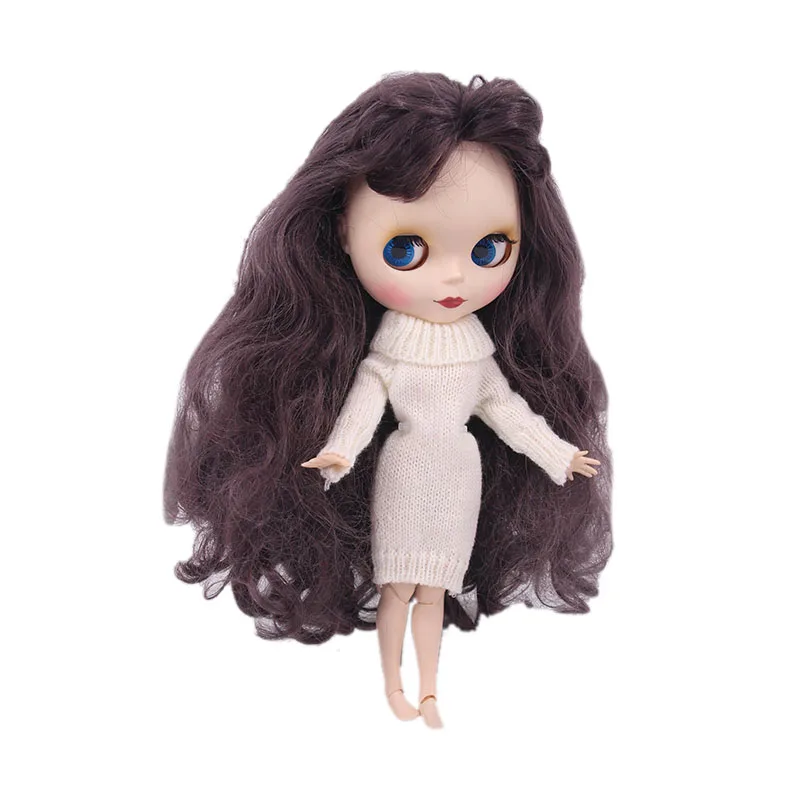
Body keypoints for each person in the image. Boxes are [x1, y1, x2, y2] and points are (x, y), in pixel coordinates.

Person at [164, 72, 613, 729]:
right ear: (344, 232)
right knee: (397, 585)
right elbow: (362, 408)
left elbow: (506, 412)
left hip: (459, 476)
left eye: (490, 248)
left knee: (435, 589)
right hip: (403, 471)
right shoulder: (388, 353)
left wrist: (558, 455)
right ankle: (394, 686)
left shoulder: (478, 353)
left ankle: (428, 689)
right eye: (407, 249)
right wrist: (339, 454)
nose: (454, 275)